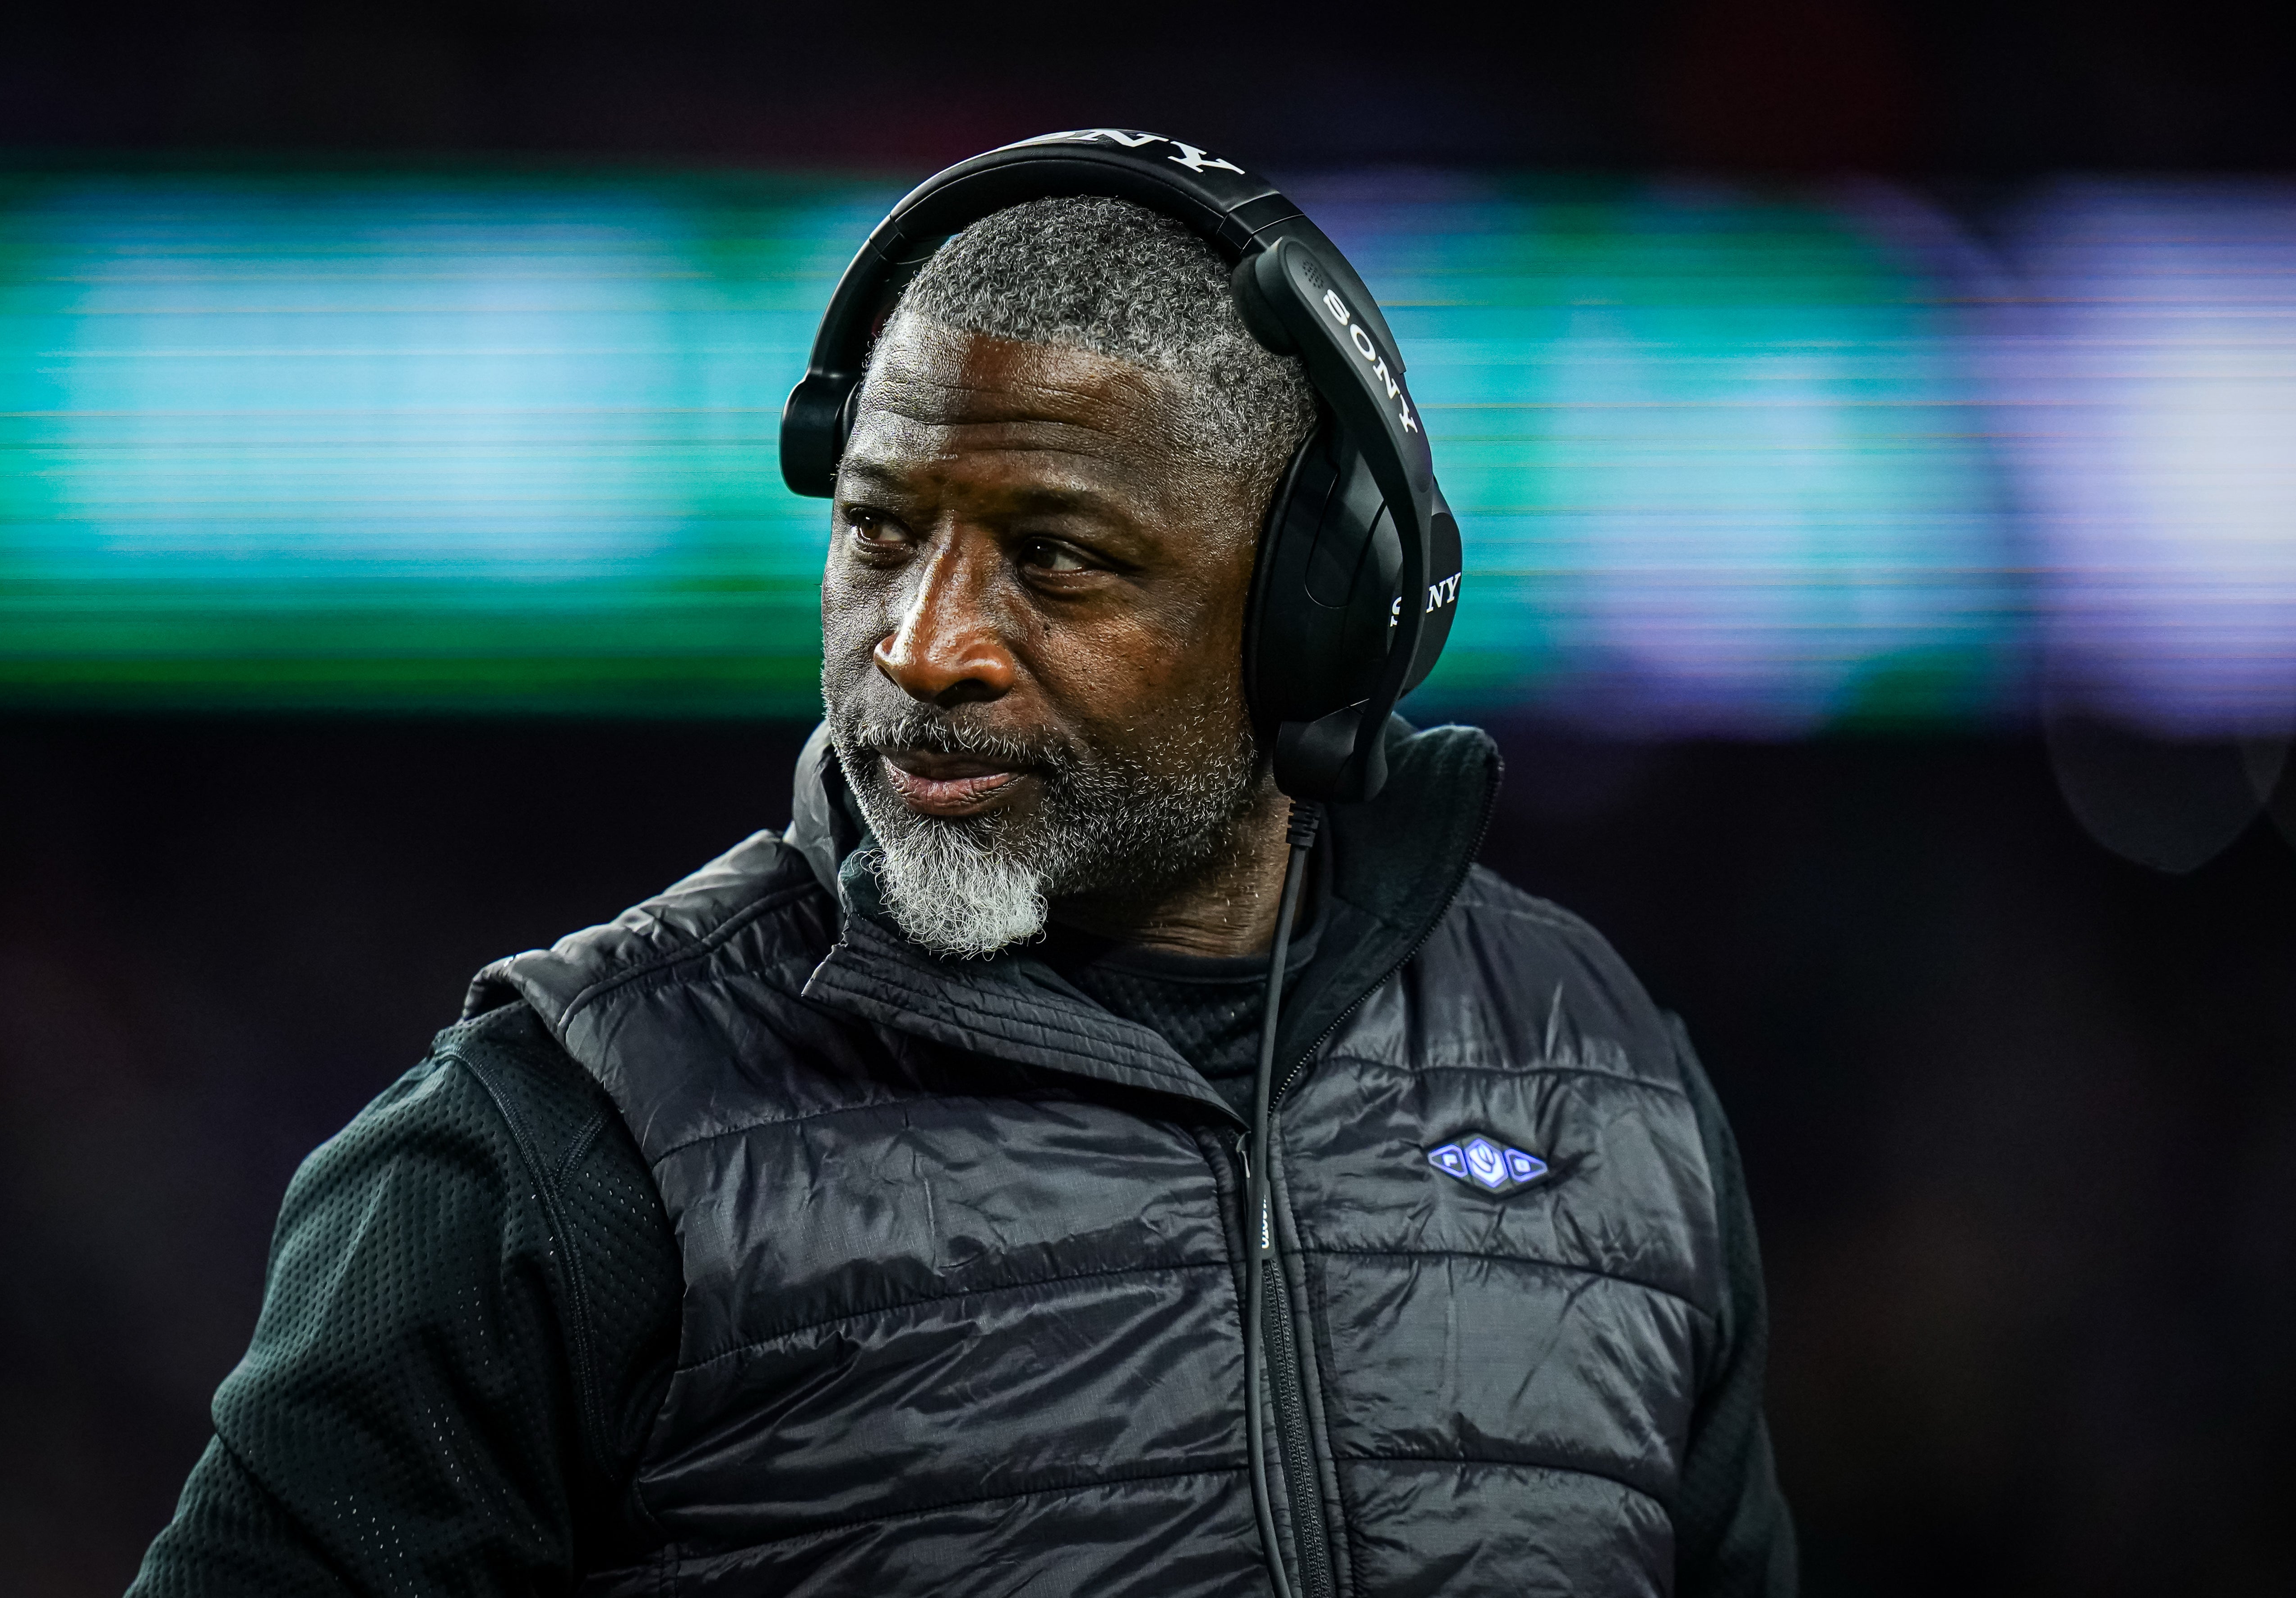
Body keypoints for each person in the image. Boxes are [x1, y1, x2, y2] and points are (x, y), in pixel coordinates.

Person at [129, 147, 1795, 1598]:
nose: (921, 648)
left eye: (1053, 558)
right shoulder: (550, 1140)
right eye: (879, 529)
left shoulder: (1595, 1062)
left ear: (1316, 610)